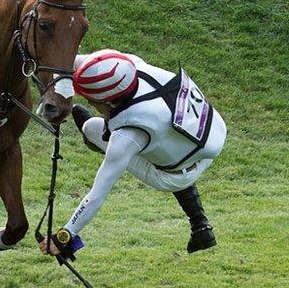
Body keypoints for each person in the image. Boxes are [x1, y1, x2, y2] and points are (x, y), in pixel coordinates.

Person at [38, 49, 227, 258]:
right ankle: (200, 226)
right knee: (156, 143)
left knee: (92, 128)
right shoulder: (128, 65)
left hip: (172, 178)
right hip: (208, 137)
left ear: (108, 102)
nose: (91, 103)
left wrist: (64, 236)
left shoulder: (129, 136)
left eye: (92, 100)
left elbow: (97, 194)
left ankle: (97, 138)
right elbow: (66, 60)